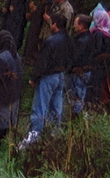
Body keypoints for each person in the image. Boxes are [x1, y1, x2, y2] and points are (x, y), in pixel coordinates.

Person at [20, 13, 74, 148]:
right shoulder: (69, 39)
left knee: (40, 106)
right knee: (56, 107)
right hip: (61, 75)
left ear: (54, 24)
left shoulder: (51, 40)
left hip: (48, 76)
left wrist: (34, 77)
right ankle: (54, 135)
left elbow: (42, 61)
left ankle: (34, 136)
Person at [67, 13, 95, 117]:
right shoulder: (89, 37)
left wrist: (70, 67)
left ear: (81, 26)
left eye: (75, 23)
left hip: (78, 73)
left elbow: (76, 57)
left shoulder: (82, 41)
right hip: (85, 71)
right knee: (79, 94)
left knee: (76, 95)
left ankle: (76, 116)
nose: (73, 25)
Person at [87, 7, 110, 106]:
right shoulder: (108, 32)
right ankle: (95, 104)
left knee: (93, 85)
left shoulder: (98, 33)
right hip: (103, 65)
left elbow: (95, 50)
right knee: (98, 85)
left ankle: (91, 105)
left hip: (95, 65)